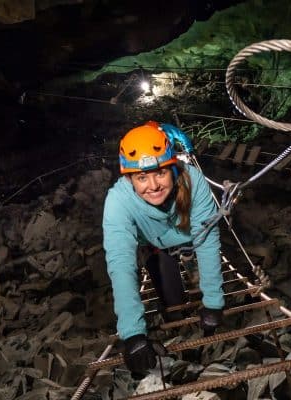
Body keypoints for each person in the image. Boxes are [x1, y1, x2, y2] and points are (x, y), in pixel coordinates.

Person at [102, 121, 224, 372]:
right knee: (173, 301)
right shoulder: (118, 201)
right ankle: (182, 341)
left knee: (199, 297)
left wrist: (213, 302)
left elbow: (207, 237)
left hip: (190, 238)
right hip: (155, 246)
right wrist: (133, 334)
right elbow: (121, 261)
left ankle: (201, 347)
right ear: (129, 178)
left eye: (160, 173)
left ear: (173, 169)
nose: (154, 185)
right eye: (142, 177)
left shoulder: (193, 180)